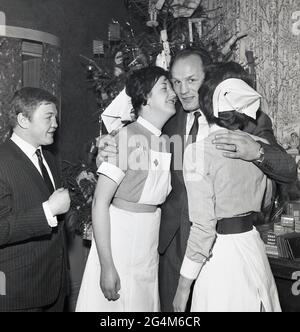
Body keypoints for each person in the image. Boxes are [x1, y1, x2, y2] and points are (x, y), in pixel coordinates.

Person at [97, 48, 297, 311]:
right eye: (176, 82)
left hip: (225, 244)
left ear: (210, 78)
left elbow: (287, 169)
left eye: (192, 80)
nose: (183, 90)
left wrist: (256, 151)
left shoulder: (245, 118)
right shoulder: (167, 117)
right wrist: (105, 148)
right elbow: (130, 139)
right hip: (172, 243)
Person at [173, 62, 281, 312]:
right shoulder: (258, 145)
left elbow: (203, 228)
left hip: (221, 259)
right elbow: (266, 201)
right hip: (253, 248)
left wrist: (182, 287)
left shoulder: (199, 152)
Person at [76, 66, 177, 312]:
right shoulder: (126, 137)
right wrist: (107, 266)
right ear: (145, 99)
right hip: (121, 239)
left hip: (148, 241)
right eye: (165, 87)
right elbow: (100, 202)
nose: (173, 93)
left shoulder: (165, 141)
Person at [0, 87, 70, 312]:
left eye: (56, 117)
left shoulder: (49, 158)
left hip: (55, 286)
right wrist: (48, 210)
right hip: (19, 293)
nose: (56, 124)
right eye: (49, 116)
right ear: (23, 119)